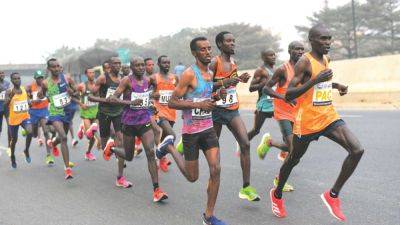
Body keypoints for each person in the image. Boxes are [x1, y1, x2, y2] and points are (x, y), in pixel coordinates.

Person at [269, 24, 364, 221]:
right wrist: (314, 80)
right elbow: (289, 94)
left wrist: (336, 86)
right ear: (311, 40)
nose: (328, 42)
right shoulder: (304, 62)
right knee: (293, 159)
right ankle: (277, 194)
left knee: (357, 150)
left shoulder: (326, 58)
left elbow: (322, 83)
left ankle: (332, 195)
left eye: (329, 38)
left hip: (328, 116)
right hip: (308, 122)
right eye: (323, 39)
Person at [157, 36, 227, 225]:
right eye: (203, 49)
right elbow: (172, 101)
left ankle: (209, 216)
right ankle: (170, 147)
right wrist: (199, 104)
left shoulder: (210, 72)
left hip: (208, 129)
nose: (208, 52)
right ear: (194, 53)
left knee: (216, 169)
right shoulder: (189, 74)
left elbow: (206, 97)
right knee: (192, 177)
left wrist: (216, 95)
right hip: (191, 133)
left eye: (209, 48)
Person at [104, 56, 168, 202]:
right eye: (137, 65)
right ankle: (112, 148)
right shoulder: (127, 80)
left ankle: (157, 190)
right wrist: (130, 102)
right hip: (128, 123)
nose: (141, 67)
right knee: (129, 156)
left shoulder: (148, 80)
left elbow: (150, 94)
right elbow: (113, 98)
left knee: (151, 152)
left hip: (144, 121)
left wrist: (151, 99)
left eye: (142, 65)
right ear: (132, 68)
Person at [209, 31, 260, 202]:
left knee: (245, 144)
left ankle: (246, 188)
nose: (232, 43)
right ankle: (213, 181)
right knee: (214, 150)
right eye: (228, 41)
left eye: (233, 41)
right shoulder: (213, 63)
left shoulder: (233, 62)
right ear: (220, 44)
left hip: (232, 109)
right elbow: (206, 85)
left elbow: (232, 82)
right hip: (216, 110)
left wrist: (239, 79)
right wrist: (225, 83)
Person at [88, 57, 131, 188]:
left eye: (119, 63)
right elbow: (90, 96)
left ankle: (120, 177)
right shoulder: (103, 78)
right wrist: (105, 100)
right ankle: (109, 146)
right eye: (115, 64)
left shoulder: (124, 79)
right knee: (103, 144)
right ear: (110, 66)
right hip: (104, 113)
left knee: (121, 140)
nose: (118, 65)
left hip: (119, 113)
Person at [263, 41, 304, 163]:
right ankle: (279, 180)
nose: (300, 52)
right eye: (297, 49)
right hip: (283, 113)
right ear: (289, 51)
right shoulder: (282, 69)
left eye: (302, 49)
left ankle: (270, 142)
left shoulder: (304, 69)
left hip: (298, 113)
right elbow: (266, 88)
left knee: (296, 148)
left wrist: (336, 86)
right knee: (293, 151)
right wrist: (283, 98)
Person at [248, 49, 288, 160]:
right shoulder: (261, 71)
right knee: (256, 130)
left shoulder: (276, 70)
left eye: (274, 55)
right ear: (263, 57)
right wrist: (264, 83)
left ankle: (284, 152)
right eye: (270, 55)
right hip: (264, 105)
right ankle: (243, 143)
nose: (273, 57)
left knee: (287, 127)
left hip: (276, 104)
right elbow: (251, 88)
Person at [39, 58, 77, 179]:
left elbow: (76, 92)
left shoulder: (67, 79)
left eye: (58, 66)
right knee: (64, 137)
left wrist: (73, 92)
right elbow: (43, 94)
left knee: (61, 138)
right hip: (55, 113)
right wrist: (42, 95)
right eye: (53, 67)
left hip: (67, 112)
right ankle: (67, 169)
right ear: (49, 69)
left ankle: (53, 143)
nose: (56, 68)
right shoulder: (45, 83)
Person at [149, 55, 179, 172]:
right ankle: (162, 156)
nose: (167, 64)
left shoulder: (175, 77)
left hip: (171, 111)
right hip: (159, 111)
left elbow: (181, 91)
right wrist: (152, 94)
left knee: (166, 136)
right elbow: (143, 92)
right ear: (159, 64)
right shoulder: (153, 78)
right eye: (164, 63)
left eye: (168, 62)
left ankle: (159, 156)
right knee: (172, 135)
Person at [4, 72, 33, 168]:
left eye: (18, 78)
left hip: (24, 116)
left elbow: (27, 99)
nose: (17, 80)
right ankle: (12, 156)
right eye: (15, 79)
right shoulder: (9, 91)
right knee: (14, 140)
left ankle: (26, 150)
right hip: (14, 119)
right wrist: (11, 96)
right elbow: (5, 104)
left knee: (30, 132)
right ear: (12, 80)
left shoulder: (24, 89)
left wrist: (29, 102)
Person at [25, 70, 54, 165]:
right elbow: (25, 96)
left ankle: (49, 155)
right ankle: (28, 130)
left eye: (41, 77)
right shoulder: (30, 86)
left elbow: (50, 95)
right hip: (33, 112)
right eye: (38, 78)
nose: (40, 79)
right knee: (34, 135)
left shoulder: (46, 85)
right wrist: (30, 101)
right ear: (35, 78)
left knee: (46, 131)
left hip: (44, 111)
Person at [76, 69, 99, 161]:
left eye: (93, 72)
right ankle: (82, 128)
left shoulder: (98, 84)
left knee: (93, 135)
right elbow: (74, 96)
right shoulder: (82, 85)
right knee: (89, 136)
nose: (92, 74)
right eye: (90, 73)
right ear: (86, 74)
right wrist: (81, 104)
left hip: (96, 111)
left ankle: (88, 153)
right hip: (86, 112)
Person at [0, 70, 11, 144]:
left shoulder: (7, 83)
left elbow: (10, 91)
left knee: (10, 125)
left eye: (2, 73)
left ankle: (10, 144)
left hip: (6, 107)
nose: (1, 74)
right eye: (0, 73)